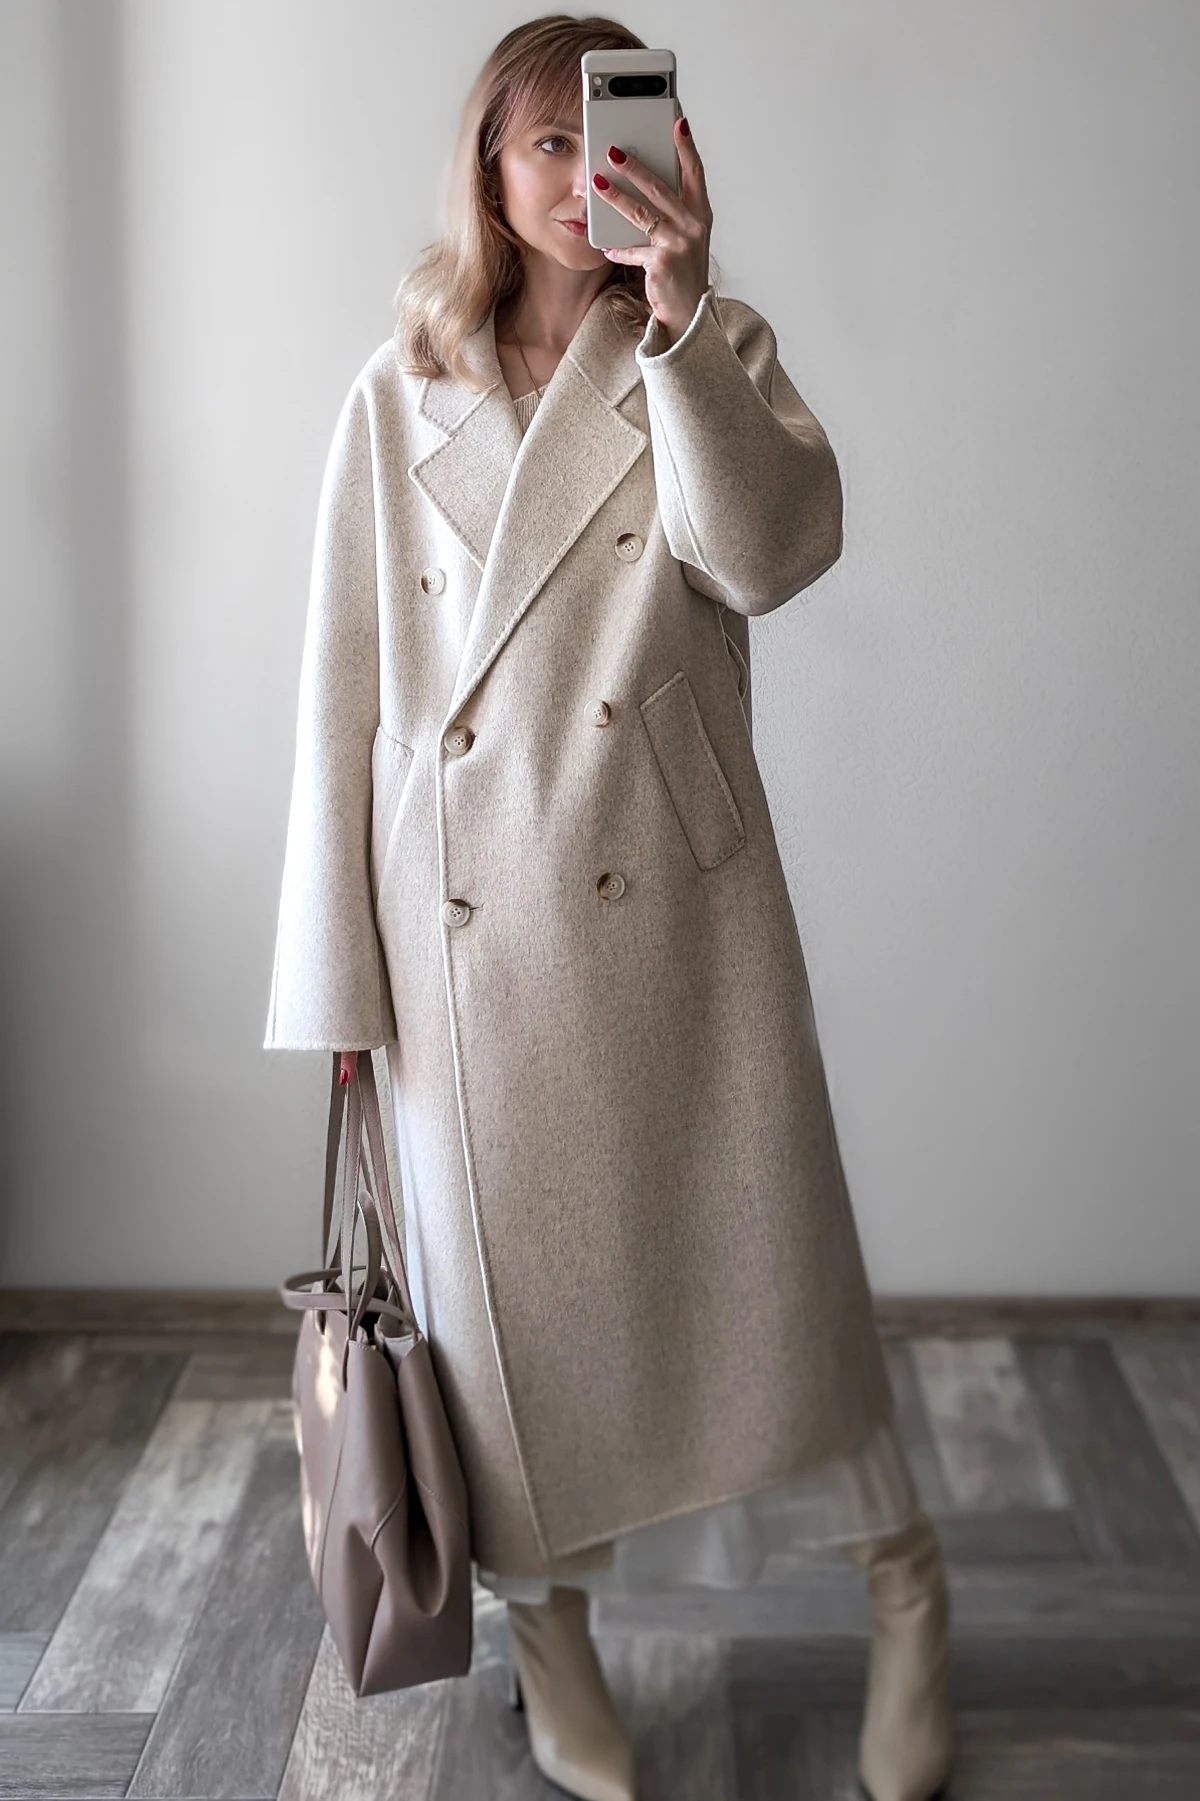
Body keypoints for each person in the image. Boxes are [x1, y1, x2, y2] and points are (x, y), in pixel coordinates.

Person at [265, 15, 952, 1801]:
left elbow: (771, 559)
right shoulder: (397, 390)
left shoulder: (709, 347)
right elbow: (341, 699)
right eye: (549, 144)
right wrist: (337, 986)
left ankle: (906, 1591)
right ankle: (550, 1642)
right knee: (511, 1347)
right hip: (463, 947)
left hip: (678, 918)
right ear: (490, 170)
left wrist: (682, 316)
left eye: (618, 134)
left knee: (774, 1297)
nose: (588, 177)